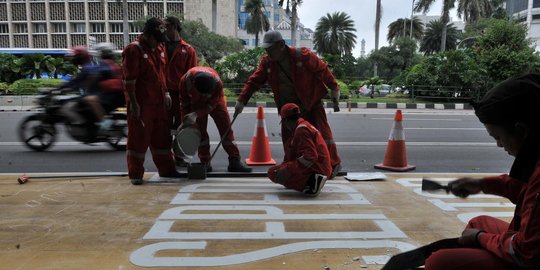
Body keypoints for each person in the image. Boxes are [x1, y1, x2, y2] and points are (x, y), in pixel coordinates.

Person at [423, 73, 540, 270]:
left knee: (438, 263)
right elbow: (523, 189)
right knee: (478, 223)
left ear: (521, 130)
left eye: (498, 137)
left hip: (529, 257)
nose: (498, 145)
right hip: (527, 244)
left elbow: (524, 252)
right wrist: (482, 185)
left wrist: (480, 239)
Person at [234, 30, 342, 179]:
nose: (268, 53)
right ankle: (292, 166)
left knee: (323, 134)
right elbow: (254, 81)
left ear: (281, 45)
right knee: (289, 139)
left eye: (270, 49)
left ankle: (334, 164)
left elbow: (322, 70)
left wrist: (334, 88)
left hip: (311, 103)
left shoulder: (302, 55)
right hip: (289, 109)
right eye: (266, 49)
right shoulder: (267, 62)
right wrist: (241, 101)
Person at [122, 17, 180, 185]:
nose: (159, 43)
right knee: (138, 139)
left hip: (160, 102)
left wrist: (167, 93)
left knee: (162, 139)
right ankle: (136, 174)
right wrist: (133, 103)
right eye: (156, 39)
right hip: (142, 104)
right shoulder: (134, 50)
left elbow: (162, 75)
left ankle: (167, 170)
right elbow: (129, 81)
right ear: (147, 35)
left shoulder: (159, 48)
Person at [178, 66, 252, 173]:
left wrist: (196, 114)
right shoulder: (185, 81)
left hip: (216, 103)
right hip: (196, 104)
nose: (206, 96)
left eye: (208, 94)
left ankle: (234, 160)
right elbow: (184, 103)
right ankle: (205, 162)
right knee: (200, 133)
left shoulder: (217, 84)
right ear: (195, 86)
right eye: (203, 94)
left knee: (226, 129)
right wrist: (185, 121)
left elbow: (211, 105)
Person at [267, 103, 332, 197]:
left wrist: (289, 168)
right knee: (279, 170)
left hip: (319, 167)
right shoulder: (302, 126)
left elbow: (310, 157)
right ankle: (307, 180)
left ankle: (312, 182)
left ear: (285, 120)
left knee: (274, 173)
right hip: (321, 165)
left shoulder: (301, 130)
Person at [163, 16, 198, 166]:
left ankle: (178, 156)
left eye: (166, 27)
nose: (163, 30)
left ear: (174, 27)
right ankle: (165, 158)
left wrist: (190, 98)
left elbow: (192, 74)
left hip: (180, 96)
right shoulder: (159, 47)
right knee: (163, 127)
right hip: (163, 94)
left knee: (180, 127)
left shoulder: (188, 50)